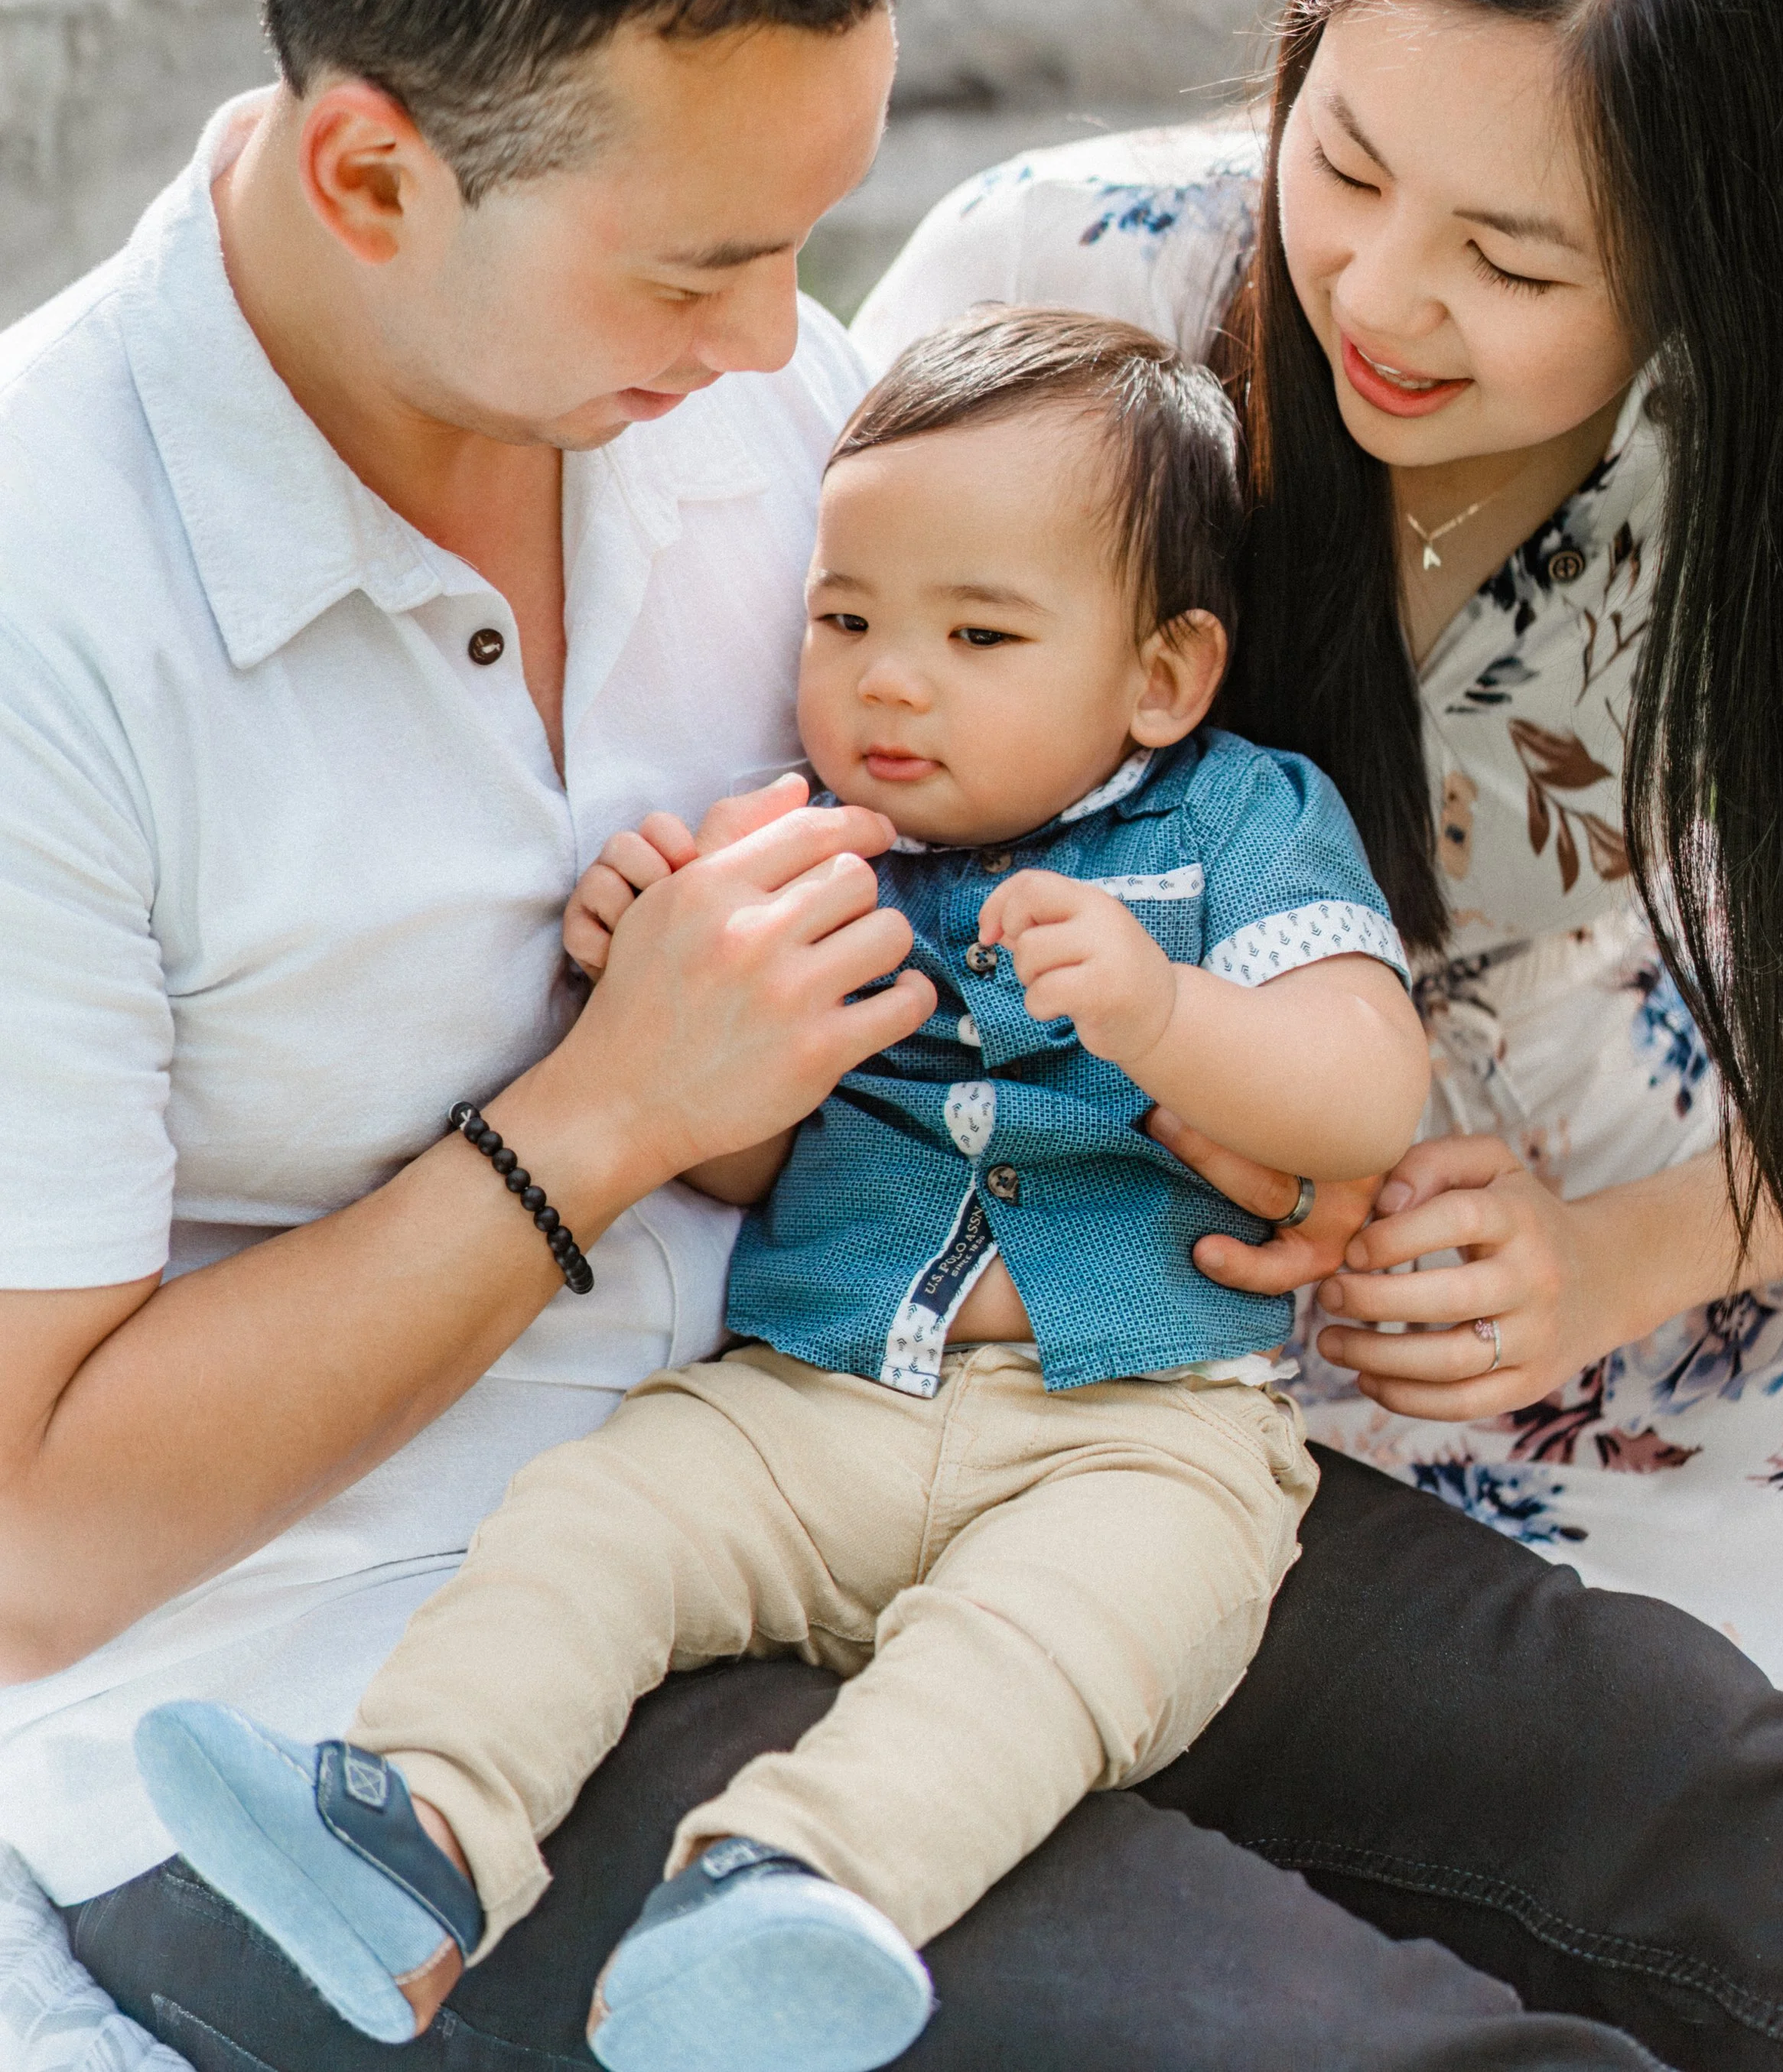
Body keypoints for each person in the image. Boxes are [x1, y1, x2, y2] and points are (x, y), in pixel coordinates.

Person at [0, 0, 1783, 2072]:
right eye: (709, 260)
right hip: (384, 1679)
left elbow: (1121, 849)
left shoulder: (743, 402)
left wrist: (1240, 1100)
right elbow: (32, 1540)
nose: (798, 339)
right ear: (375, 168)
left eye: (813, 230)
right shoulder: (54, 595)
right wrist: (597, 1117)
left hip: (1013, 1425)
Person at [135, 306, 1429, 2072]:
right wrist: (656, 987)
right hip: (811, 1394)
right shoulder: (808, 844)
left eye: (977, 633)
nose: (889, 681)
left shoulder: (1235, 826)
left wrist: (1167, 1010)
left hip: (1135, 1429)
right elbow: (740, 1153)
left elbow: (1365, 1088)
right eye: (845, 620)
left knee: (1027, 1661)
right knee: (595, 1530)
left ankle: (785, 1898)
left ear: (1160, 675)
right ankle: (412, 1829)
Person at [857, 0, 1783, 1745]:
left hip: (1701, 1288)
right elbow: (822, 750)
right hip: (1147, 1338)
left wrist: (1616, 1256)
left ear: (1716, 275)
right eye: (1338, 159)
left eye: (1513, 261)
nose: (1379, 288)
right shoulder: (1068, 289)